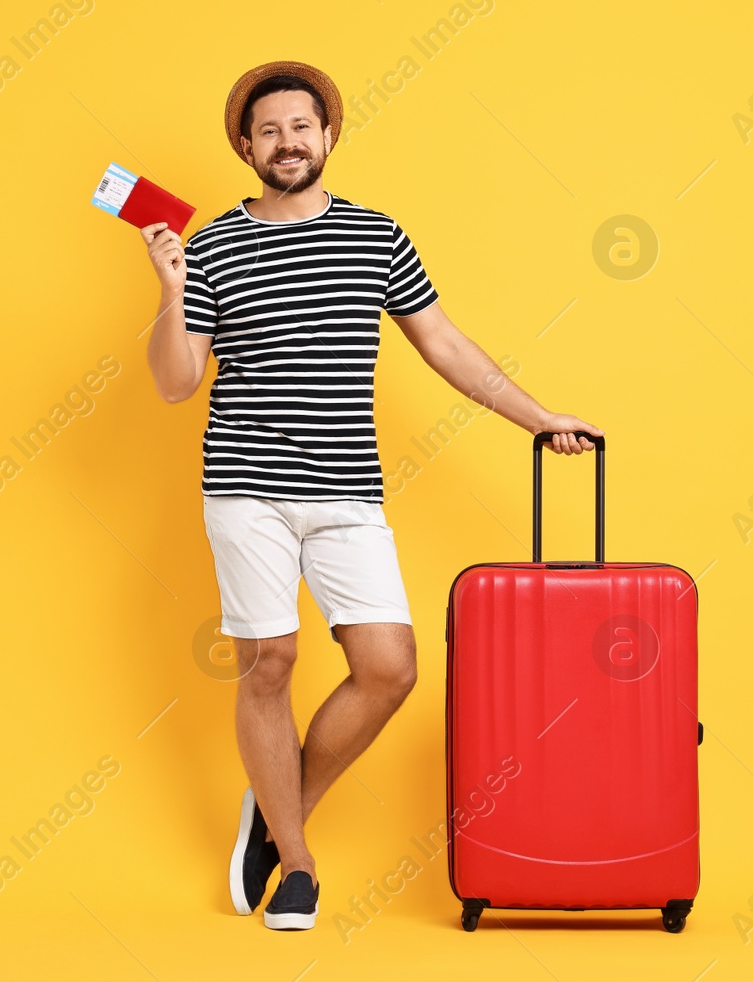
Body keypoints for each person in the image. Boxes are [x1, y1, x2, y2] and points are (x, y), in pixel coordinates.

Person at [142, 60, 602, 930]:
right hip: (247, 489)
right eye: (269, 130)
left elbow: (445, 345)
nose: (287, 142)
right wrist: (170, 292)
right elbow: (175, 383)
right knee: (269, 661)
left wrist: (536, 417)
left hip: (347, 490)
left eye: (301, 127)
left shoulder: (376, 235)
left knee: (389, 668)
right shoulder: (208, 246)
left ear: (328, 136)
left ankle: (276, 818)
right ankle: (301, 864)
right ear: (245, 145)